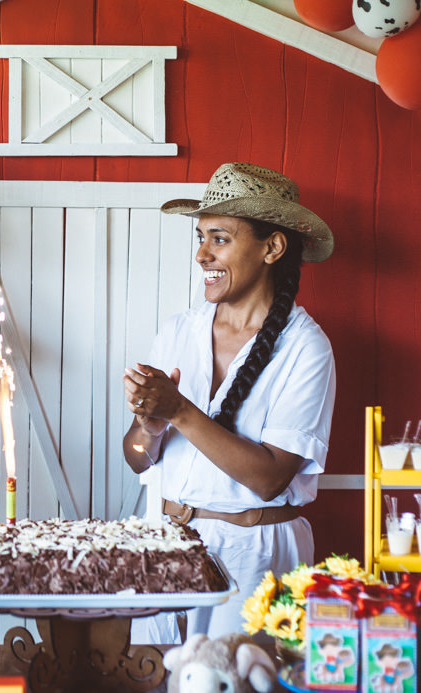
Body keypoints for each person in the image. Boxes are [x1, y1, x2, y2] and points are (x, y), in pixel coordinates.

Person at [123, 162, 336, 640]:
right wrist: (148, 429)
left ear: (272, 247)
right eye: (200, 238)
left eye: (218, 238)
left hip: (252, 556)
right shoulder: (179, 331)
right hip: (163, 542)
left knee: (231, 677)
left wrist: (178, 409)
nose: (202, 254)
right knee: (151, 680)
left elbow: (268, 478)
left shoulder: (305, 348)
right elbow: (138, 460)